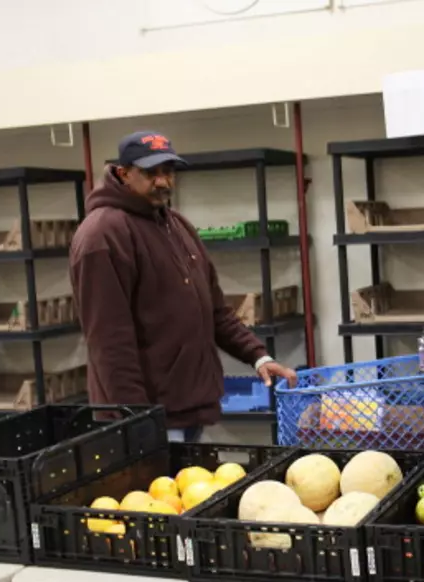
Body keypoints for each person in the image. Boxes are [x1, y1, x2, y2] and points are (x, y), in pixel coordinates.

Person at [69, 131, 297, 442]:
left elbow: (216, 311)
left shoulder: (176, 225)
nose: (163, 181)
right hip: (148, 420)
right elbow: (110, 344)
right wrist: (136, 420)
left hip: (188, 407)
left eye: (168, 171)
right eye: (151, 172)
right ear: (124, 173)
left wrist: (259, 357)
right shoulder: (103, 236)